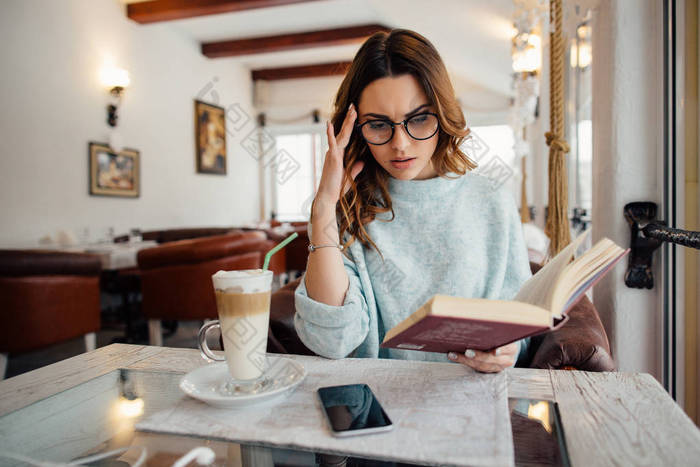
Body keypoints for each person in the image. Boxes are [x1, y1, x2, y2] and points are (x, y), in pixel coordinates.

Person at [293, 29, 532, 373]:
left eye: (419, 119)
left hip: (474, 404)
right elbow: (333, 341)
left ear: (443, 113)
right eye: (378, 125)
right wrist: (323, 210)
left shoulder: (492, 201)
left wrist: (508, 349)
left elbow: (520, 327)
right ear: (354, 127)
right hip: (375, 409)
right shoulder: (348, 208)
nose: (400, 144)